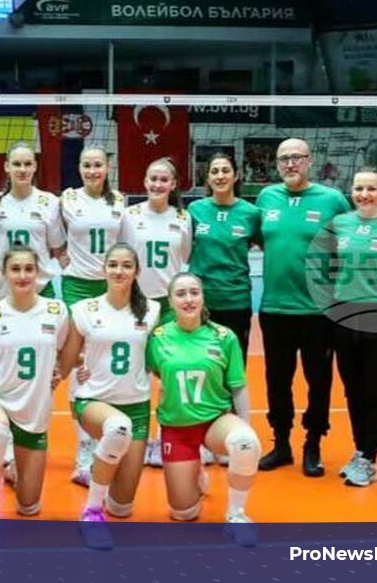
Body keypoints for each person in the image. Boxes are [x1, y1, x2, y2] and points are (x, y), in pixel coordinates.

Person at [255, 138, 350, 477]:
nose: (290, 163)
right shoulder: (266, 198)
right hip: (275, 309)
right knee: (277, 381)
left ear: (310, 161)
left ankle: (313, 443)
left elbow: (352, 242)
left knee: (319, 381)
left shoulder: (332, 200)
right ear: (277, 164)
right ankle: (281, 443)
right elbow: (259, 239)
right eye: (284, 158)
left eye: (297, 157)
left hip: (318, 311)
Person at [146, 272, 261, 547]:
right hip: (177, 428)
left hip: (214, 421)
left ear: (202, 297)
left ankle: (236, 515)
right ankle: (194, 470)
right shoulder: (158, 338)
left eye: (194, 292)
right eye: (181, 294)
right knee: (183, 513)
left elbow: (238, 386)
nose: (188, 299)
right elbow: (156, 378)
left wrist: (246, 426)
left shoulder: (224, 337)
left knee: (245, 444)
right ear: (170, 301)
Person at [57, 243, 160, 550]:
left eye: (126, 265)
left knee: (122, 507)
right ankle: (91, 512)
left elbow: (158, 360)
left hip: (137, 407)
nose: (119, 271)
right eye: (113, 264)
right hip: (94, 402)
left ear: (137, 271)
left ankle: (98, 469)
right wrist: (46, 384)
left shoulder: (152, 310)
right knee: (117, 428)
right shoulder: (84, 310)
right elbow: (67, 360)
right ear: (104, 270)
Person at [0, 246, 70, 551]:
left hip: (35, 407)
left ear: (38, 272)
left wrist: (57, 371)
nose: (23, 275)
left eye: (29, 269)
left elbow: (61, 350)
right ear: (3, 273)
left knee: (30, 506)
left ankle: (12, 469)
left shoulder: (56, 310)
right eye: (15, 269)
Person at [320, 167, 377, 487]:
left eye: (371, 188)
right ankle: (361, 451)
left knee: (375, 392)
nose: (364, 194)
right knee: (353, 390)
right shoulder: (340, 224)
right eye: (359, 188)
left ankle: (370, 458)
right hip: (344, 318)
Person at [59, 144, 128, 486]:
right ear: (79, 168)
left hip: (109, 286)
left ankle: (107, 434)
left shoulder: (119, 202)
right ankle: (84, 446)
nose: (92, 171)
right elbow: (55, 240)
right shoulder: (67, 200)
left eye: (98, 165)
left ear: (107, 167)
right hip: (76, 286)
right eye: (86, 165)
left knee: (104, 359)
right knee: (78, 361)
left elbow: (125, 246)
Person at [120, 157, 193, 467]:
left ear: (173, 185)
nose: (158, 184)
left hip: (168, 306)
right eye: (153, 178)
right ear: (145, 181)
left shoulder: (183, 217)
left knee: (167, 374)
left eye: (164, 180)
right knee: (135, 372)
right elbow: (124, 257)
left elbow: (184, 257)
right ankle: (133, 435)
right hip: (137, 303)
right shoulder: (130, 215)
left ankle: (163, 437)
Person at [188, 152, 262, 360]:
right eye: (214, 171)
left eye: (225, 170)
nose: (220, 176)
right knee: (201, 364)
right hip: (201, 302)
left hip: (236, 301)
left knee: (234, 365)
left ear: (236, 175)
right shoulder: (195, 210)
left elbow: (266, 244)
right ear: (208, 178)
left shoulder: (251, 213)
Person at [0, 142, 65, 300]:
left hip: (41, 289)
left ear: (35, 166)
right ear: (7, 167)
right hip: (5, 291)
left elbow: (58, 249)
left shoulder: (49, 202)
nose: (22, 170)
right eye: (17, 164)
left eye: (28, 164)